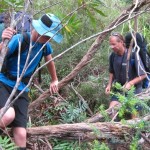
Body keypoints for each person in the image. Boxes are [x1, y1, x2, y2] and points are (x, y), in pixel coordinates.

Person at [0, 13, 63, 149]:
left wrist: (54, 79)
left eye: (50, 37)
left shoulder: (45, 46)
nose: (48, 39)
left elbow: (50, 61)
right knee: (7, 116)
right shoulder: (19, 39)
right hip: (4, 83)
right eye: (46, 36)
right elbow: (1, 54)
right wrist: (3, 41)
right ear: (39, 30)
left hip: (22, 88)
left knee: (22, 135)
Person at [105, 33, 146, 118]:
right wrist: (109, 85)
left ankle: (135, 130)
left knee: (134, 117)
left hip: (134, 90)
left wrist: (130, 83)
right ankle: (115, 128)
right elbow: (111, 71)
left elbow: (143, 75)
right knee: (111, 112)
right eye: (110, 44)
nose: (112, 47)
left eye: (114, 44)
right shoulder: (113, 56)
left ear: (121, 42)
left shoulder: (133, 55)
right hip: (119, 88)